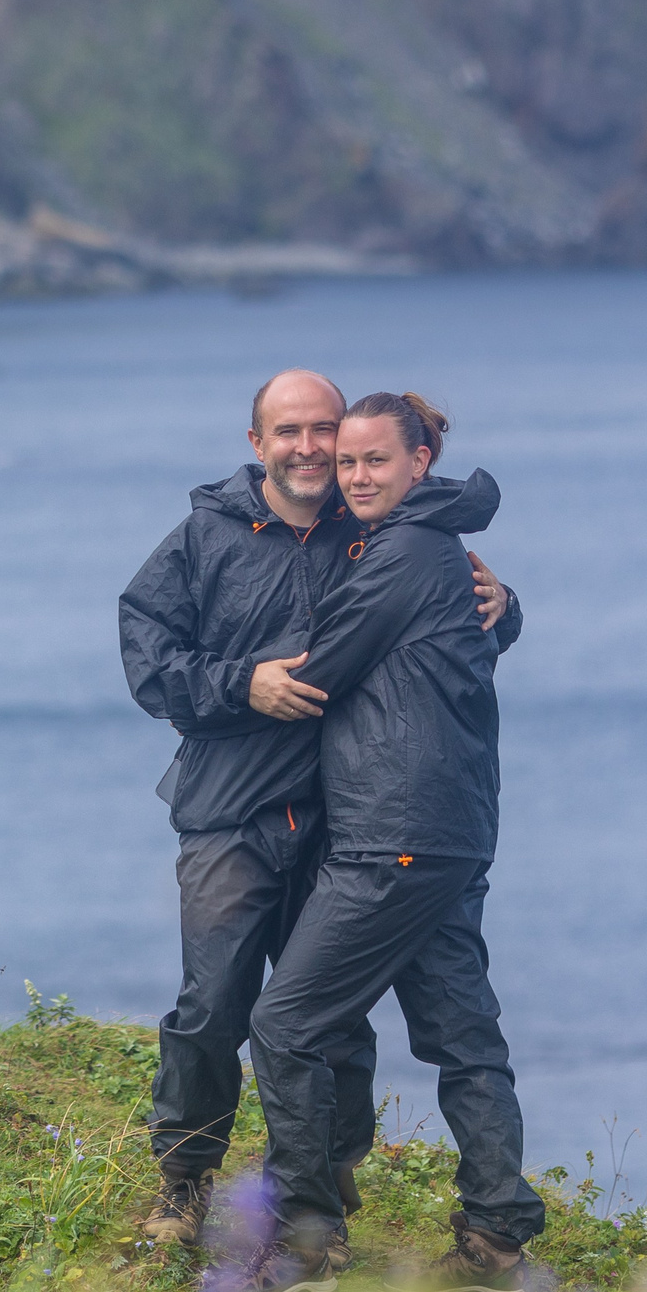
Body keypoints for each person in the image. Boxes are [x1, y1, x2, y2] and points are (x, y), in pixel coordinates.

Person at [119, 372, 507, 1248]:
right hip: (229, 811)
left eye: (322, 432)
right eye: (288, 431)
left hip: (343, 814)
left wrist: (507, 607)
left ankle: (325, 1181)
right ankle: (184, 1183)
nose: (310, 449)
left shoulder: (374, 527)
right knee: (212, 1003)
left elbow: (446, 636)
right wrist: (240, 684)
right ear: (256, 441)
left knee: (328, 1015)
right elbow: (148, 662)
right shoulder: (200, 538)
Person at [202, 392, 545, 1292]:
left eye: (373, 462)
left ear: (420, 460)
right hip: (446, 829)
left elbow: (319, 671)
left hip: (393, 833)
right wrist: (505, 607)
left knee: (285, 1024)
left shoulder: (405, 549)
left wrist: (236, 679)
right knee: (462, 1034)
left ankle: (305, 1245)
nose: (353, 476)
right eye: (346, 463)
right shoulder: (430, 548)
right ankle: (495, 1242)